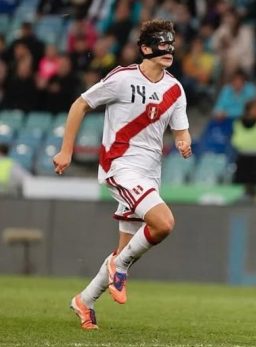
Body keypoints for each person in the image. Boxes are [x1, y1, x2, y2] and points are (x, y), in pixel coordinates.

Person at [52, 20, 192, 330]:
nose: (168, 49)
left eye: (171, 43)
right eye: (161, 43)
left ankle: (84, 301)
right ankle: (121, 266)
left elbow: (181, 131)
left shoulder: (175, 89)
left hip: (150, 173)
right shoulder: (122, 78)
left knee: (125, 249)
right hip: (120, 165)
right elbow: (80, 105)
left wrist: (183, 142)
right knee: (164, 223)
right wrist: (66, 150)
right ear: (145, 49)